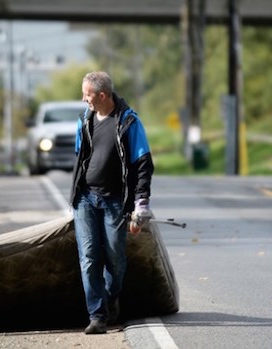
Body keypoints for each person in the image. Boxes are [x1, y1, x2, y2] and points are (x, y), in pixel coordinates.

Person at [70, 71, 154, 334]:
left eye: (87, 94)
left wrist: (141, 203)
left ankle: (109, 297)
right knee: (89, 258)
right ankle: (97, 315)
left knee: (115, 259)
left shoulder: (128, 122)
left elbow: (143, 164)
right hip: (85, 199)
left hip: (115, 202)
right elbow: (79, 157)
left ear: (102, 95)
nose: (84, 99)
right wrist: (74, 194)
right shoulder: (84, 120)